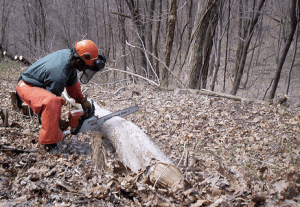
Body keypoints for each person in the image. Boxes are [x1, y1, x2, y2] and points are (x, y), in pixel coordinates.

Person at [16, 39, 106, 149]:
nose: (84, 70)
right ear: (79, 60)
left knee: (53, 102)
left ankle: (53, 134)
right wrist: (57, 122)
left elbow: (73, 86)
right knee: (52, 102)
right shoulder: (59, 73)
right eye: (86, 66)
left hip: (37, 85)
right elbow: (50, 102)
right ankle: (49, 143)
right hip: (26, 86)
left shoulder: (70, 59)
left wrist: (82, 100)